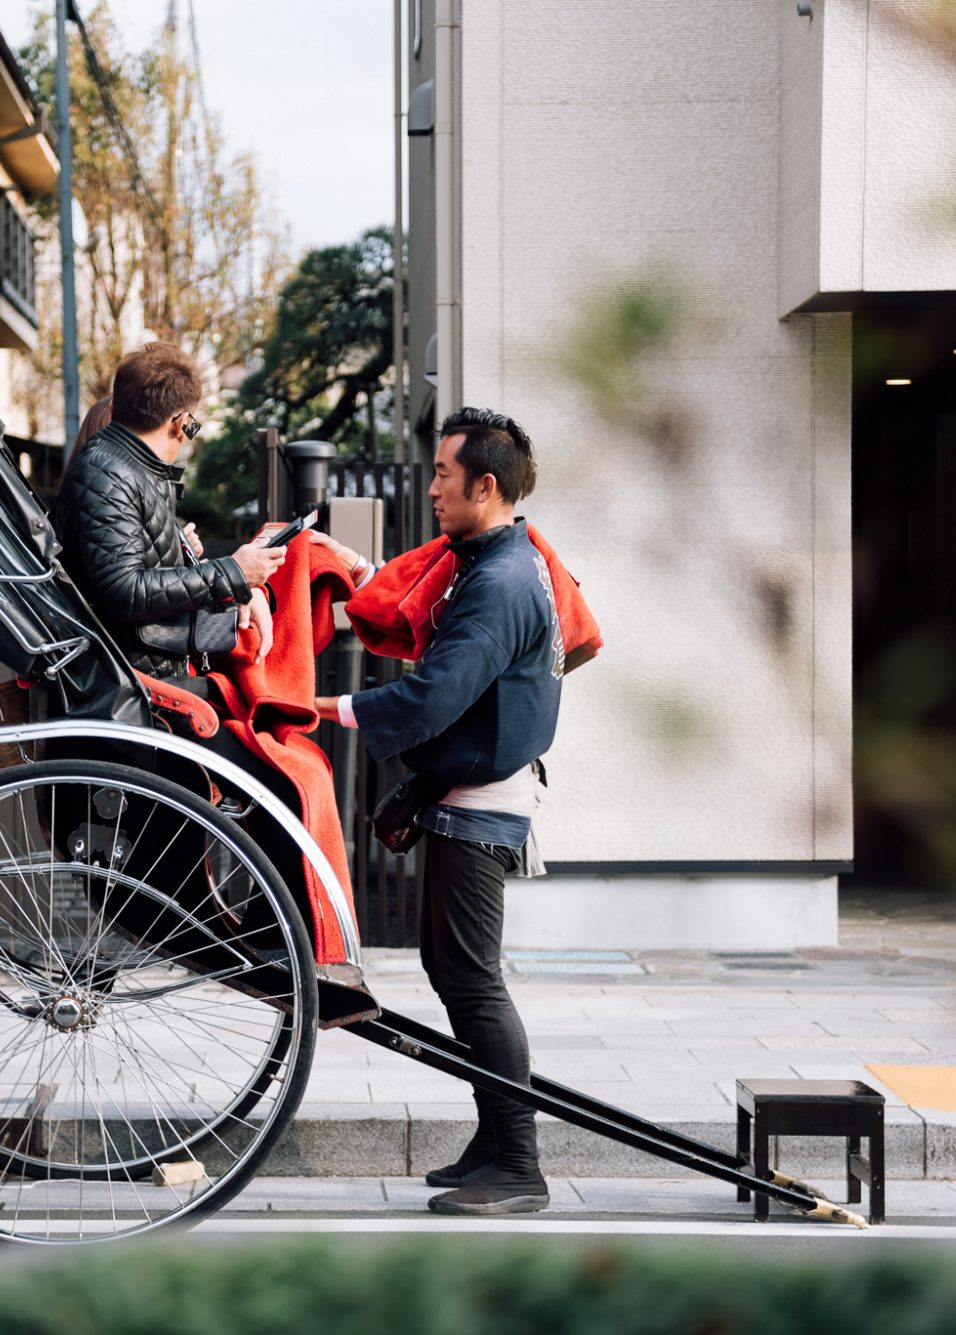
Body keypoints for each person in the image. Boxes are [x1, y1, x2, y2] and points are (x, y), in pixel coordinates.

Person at [317, 406, 564, 1217]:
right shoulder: (495, 559)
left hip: (482, 803)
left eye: (442, 475)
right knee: (453, 970)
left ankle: (519, 1165)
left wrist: (329, 708)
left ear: (484, 486)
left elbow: (432, 697)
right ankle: (495, 1139)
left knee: (472, 978)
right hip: (472, 792)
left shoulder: (498, 582)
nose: (431, 489)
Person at [54, 343, 280, 674]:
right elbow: (124, 589)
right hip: (129, 685)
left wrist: (181, 551)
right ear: (182, 422)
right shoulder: (109, 472)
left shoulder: (128, 468)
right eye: (192, 426)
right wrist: (234, 572)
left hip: (142, 674)